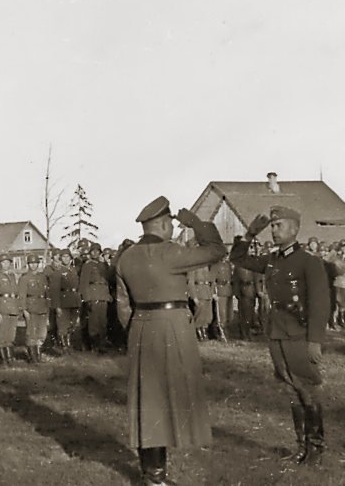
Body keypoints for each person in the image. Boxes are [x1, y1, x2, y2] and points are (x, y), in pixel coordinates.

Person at [115, 196, 225, 485]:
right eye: (173, 225)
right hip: (172, 327)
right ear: (164, 224)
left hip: (139, 328)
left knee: (147, 401)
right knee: (173, 398)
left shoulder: (125, 258)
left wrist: (137, 331)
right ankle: (156, 476)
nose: (175, 230)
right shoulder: (171, 253)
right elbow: (215, 250)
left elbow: (123, 305)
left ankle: (153, 474)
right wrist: (197, 224)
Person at [230, 206, 331, 465]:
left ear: (295, 229)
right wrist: (249, 234)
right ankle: (301, 447)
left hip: (299, 334)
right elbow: (238, 259)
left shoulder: (309, 262)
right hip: (276, 333)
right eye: (272, 226)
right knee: (291, 391)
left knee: (307, 391)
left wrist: (315, 340)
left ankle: (316, 449)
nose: (274, 230)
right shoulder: (273, 260)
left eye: (279, 225)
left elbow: (320, 304)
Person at [18, 254, 50, 363]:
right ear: (28, 264)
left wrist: (47, 307)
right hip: (31, 307)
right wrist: (24, 309)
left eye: (35, 263)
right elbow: (22, 295)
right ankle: (33, 357)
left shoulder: (43, 277)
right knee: (31, 332)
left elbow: (47, 293)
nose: (34, 265)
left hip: (42, 307)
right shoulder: (24, 278)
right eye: (31, 263)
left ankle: (39, 354)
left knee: (42, 333)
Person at [79, 243, 111, 351]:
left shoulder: (103, 265)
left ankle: (102, 344)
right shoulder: (87, 265)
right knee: (93, 322)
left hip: (103, 296)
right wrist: (86, 299)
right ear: (90, 253)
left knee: (103, 322)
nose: (95, 253)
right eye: (93, 251)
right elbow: (83, 283)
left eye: (97, 251)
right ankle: (94, 345)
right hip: (93, 296)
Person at [0, 252, 21, 366]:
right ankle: (3, 360)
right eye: (3, 262)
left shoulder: (13, 276)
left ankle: (10, 358)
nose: (6, 264)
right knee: (1, 335)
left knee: (11, 335)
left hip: (13, 308)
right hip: (2, 309)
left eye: (8, 262)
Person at [49, 249, 81, 353]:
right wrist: (57, 306)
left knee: (72, 325)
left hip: (74, 302)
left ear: (71, 259)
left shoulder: (74, 271)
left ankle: (69, 344)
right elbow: (54, 291)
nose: (66, 259)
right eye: (63, 257)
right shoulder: (58, 273)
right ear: (60, 259)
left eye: (68, 257)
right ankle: (64, 347)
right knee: (63, 325)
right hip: (63, 302)